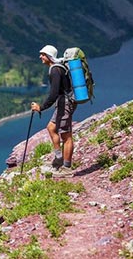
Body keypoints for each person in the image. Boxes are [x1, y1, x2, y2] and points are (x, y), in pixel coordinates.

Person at [31, 45, 76, 178]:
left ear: (49, 56)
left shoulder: (55, 70)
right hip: (64, 102)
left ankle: (67, 168)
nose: (40, 57)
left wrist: (41, 107)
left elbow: (54, 93)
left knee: (66, 136)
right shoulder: (57, 68)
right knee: (51, 128)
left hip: (65, 103)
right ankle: (58, 159)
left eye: (43, 54)